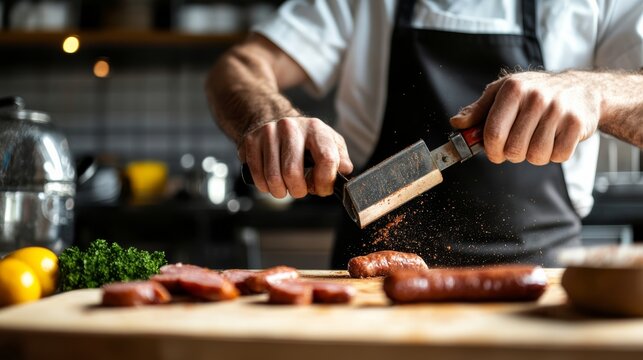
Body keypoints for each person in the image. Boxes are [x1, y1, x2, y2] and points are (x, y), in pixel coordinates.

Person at [206, 0, 643, 268]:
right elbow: (238, 67)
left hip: (538, 282)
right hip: (371, 288)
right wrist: (265, 118)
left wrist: (595, 92)